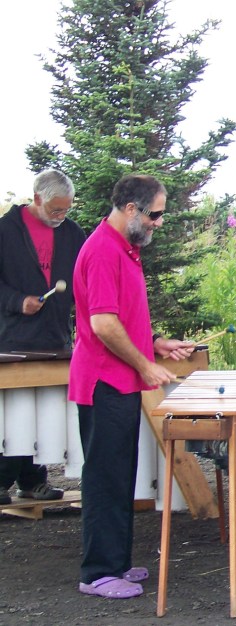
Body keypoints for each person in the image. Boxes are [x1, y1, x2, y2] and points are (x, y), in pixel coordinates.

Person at [70, 174, 195, 599]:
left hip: (118, 380)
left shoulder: (125, 248)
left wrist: (155, 343)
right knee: (105, 477)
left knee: (121, 474)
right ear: (131, 210)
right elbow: (102, 324)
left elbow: (120, 316)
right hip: (103, 381)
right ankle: (98, 572)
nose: (158, 223)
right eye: (155, 214)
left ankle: (116, 562)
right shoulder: (104, 250)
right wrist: (145, 365)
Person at [0, 169, 86, 506]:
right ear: (37, 199)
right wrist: (16, 301)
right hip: (12, 341)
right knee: (14, 418)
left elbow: (85, 281)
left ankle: (33, 481)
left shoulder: (72, 234)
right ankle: (5, 479)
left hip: (53, 338)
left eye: (66, 210)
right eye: (55, 210)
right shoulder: (6, 231)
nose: (61, 217)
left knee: (42, 418)